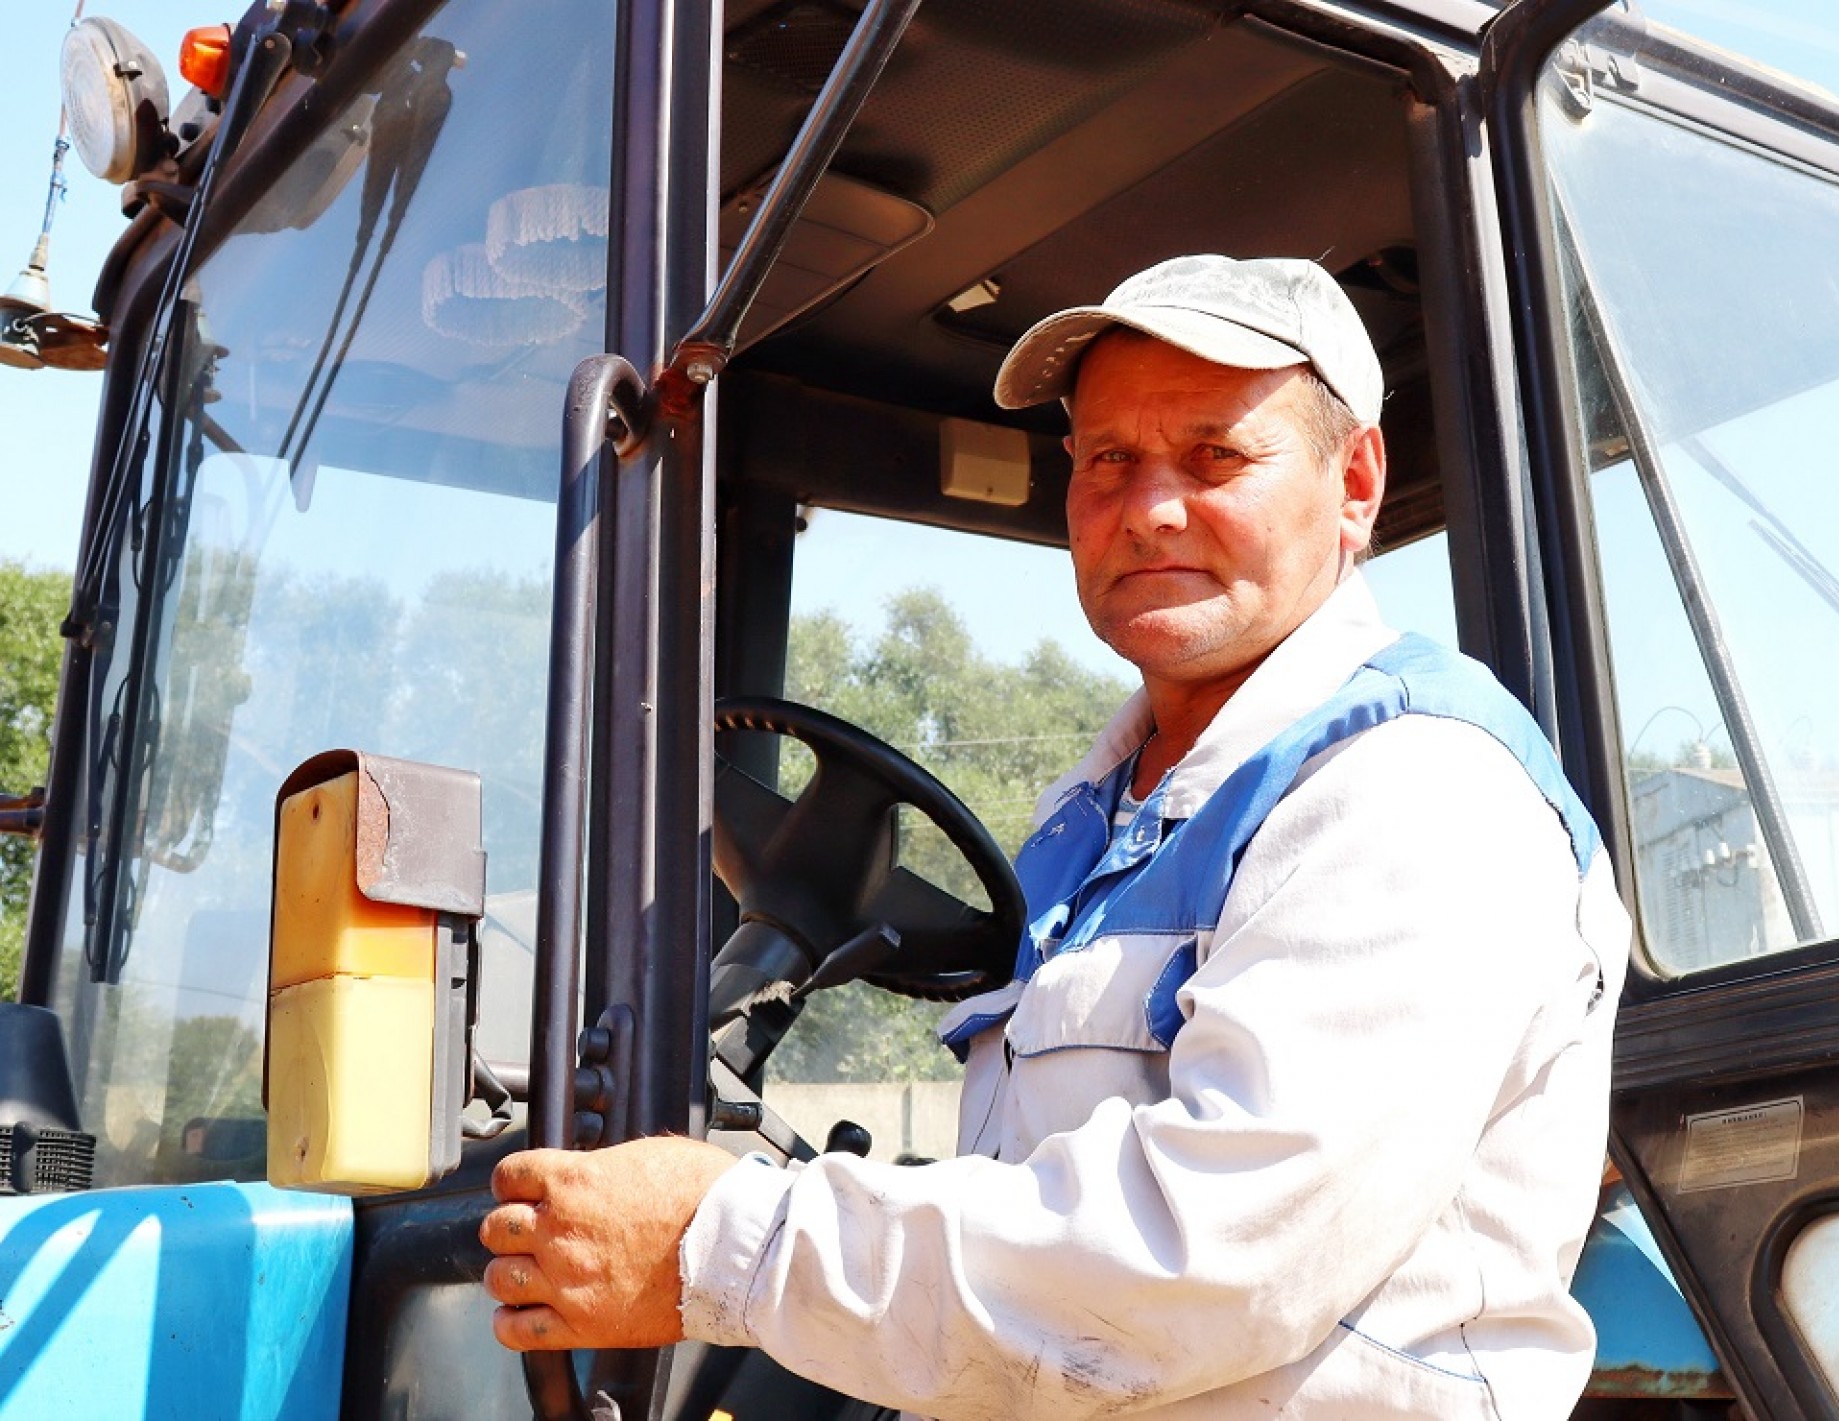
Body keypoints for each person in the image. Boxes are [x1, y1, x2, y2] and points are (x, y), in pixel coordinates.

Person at [480, 254, 1630, 1419]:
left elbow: (1200, 1260)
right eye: (1108, 460)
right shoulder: (1097, 819)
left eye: (1216, 455)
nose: (1150, 508)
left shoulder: (1413, 787)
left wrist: (721, 1238)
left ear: (1355, 482)